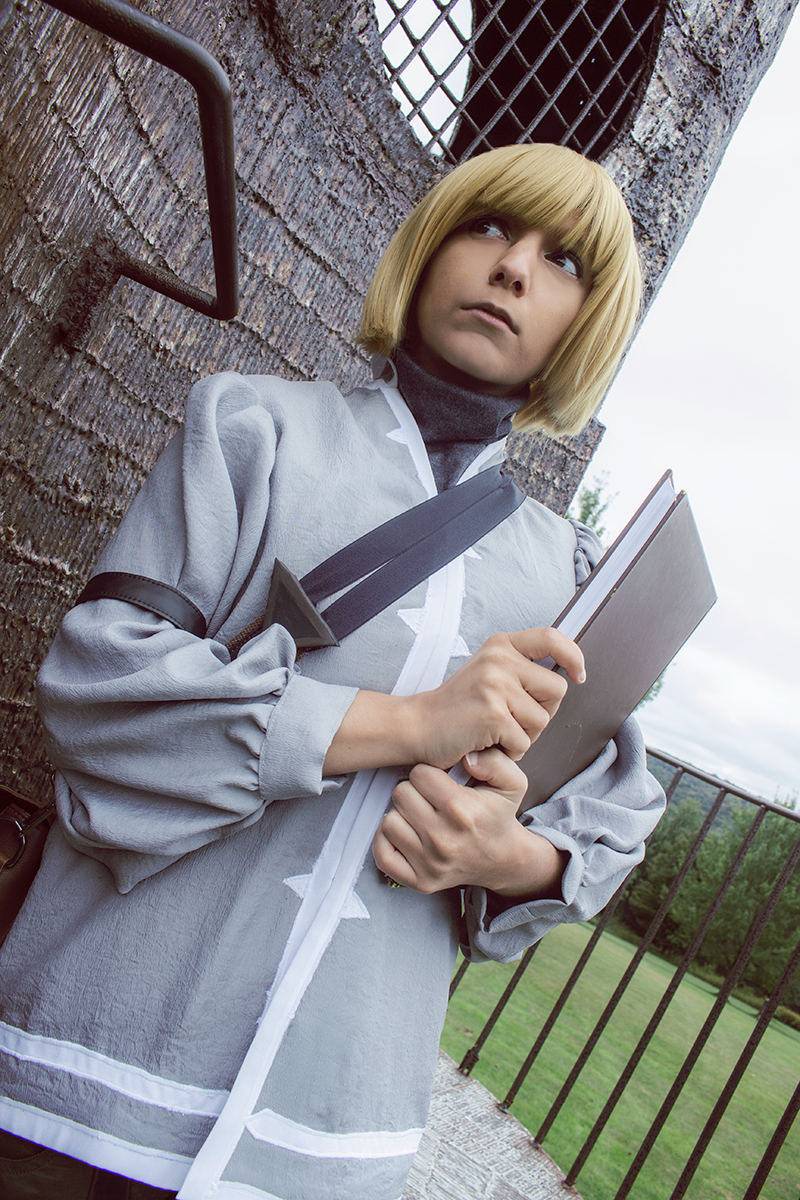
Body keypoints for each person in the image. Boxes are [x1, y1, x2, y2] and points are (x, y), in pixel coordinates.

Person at [0, 143, 665, 1200]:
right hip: (79, 1084)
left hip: (329, 1144)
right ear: (432, 246)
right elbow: (97, 683)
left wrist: (508, 856)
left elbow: (614, 817)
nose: (513, 268)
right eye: (491, 225)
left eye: (564, 262)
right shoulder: (250, 427)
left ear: (583, 324)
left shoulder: (567, 574)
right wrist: (414, 725)